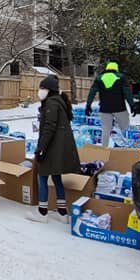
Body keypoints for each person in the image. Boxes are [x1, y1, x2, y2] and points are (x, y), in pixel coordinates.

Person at [28, 75, 80, 223]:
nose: (40, 91)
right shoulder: (59, 102)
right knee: (56, 177)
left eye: (42, 88)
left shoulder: (51, 103)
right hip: (59, 147)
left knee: (42, 176)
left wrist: (40, 149)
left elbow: (49, 128)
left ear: (49, 90)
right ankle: (62, 213)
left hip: (52, 147)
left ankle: (42, 212)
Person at [85, 61, 135, 147]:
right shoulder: (121, 77)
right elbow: (128, 93)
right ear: (116, 69)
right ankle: (126, 149)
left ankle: (104, 150)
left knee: (105, 131)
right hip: (120, 109)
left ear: (107, 68)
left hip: (104, 109)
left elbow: (92, 92)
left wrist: (88, 105)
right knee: (125, 129)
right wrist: (132, 105)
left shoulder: (99, 78)